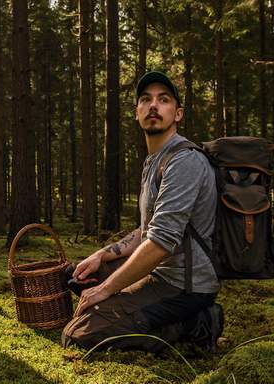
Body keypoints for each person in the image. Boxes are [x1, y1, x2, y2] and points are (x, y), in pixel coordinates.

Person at [61, 71, 224, 353]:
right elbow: (147, 230)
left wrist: (106, 289)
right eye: (146, 100)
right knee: (75, 276)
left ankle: (196, 324)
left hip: (183, 287)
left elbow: (160, 243)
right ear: (137, 113)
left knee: (79, 334)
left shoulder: (184, 160)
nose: (153, 106)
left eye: (163, 100)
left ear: (178, 114)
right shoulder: (154, 160)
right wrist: (102, 255)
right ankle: (138, 311)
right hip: (159, 273)